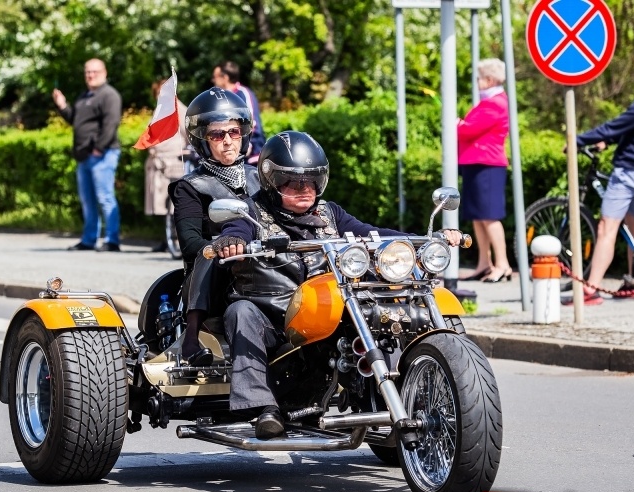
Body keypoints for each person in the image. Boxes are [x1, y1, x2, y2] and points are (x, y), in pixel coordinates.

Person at [210, 131, 463, 439]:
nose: (305, 189)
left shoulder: (329, 213)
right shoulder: (252, 211)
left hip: (323, 312)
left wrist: (424, 240)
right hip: (273, 317)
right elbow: (234, 228)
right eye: (293, 181)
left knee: (379, 312)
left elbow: (371, 233)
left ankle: (391, 396)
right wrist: (232, 241)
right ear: (272, 182)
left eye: (312, 181)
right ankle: (264, 408)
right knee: (240, 312)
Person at [168, 87, 261, 365]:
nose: (228, 141)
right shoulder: (191, 186)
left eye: (234, 132)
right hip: (218, 277)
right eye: (217, 135)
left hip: (264, 266)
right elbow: (189, 242)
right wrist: (224, 248)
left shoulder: (261, 178)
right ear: (203, 141)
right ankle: (192, 338)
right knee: (208, 252)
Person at [563, 55, 634, 305]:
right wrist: (608, 142)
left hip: (630, 172)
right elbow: (633, 130)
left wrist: (577, 140)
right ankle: (632, 281)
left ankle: (591, 290)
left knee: (606, 229)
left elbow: (614, 126)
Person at [53, 58, 123, 252]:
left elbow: (111, 124)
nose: (91, 75)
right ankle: (89, 239)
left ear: (105, 73)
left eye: (95, 72)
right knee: (88, 200)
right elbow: (74, 120)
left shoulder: (109, 95)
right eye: (87, 72)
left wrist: (99, 148)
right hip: (83, 156)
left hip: (103, 154)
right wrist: (62, 106)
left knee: (105, 197)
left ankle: (112, 240)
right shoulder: (84, 96)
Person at [457, 58, 512, 283]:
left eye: (479, 78)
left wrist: (457, 124)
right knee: (478, 217)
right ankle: (484, 263)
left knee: (489, 216)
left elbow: (469, 130)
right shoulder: (489, 102)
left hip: (487, 164)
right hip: (476, 163)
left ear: (489, 80)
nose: (478, 82)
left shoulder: (495, 103)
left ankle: (502, 264)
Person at [144, 79, 188, 252]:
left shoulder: (180, 110)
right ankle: (166, 238)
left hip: (173, 162)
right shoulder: (161, 110)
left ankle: (178, 239)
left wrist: (187, 151)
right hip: (159, 162)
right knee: (163, 204)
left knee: (175, 204)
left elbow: (190, 135)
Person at [211, 60, 266, 165]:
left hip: (250, 156)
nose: (213, 80)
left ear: (225, 77)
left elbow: (252, 123)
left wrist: (246, 145)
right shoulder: (218, 98)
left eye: (215, 77)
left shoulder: (243, 94)